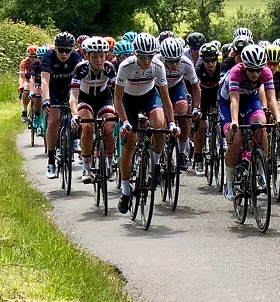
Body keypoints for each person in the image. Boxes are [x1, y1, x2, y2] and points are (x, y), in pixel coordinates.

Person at [114, 33, 177, 214]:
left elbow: (166, 99)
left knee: (159, 125)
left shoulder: (158, 65)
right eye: (142, 56)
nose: (147, 60)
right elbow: (117, 99)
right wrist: (125, 121)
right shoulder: (125, 67)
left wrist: (171, 123)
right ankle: (126, 190)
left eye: (150, 56)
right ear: (135, 54)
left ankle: (156, 164)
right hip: (128, 101)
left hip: (149, 97)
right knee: (130, 142)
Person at [219, 45, 280, 200]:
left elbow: (271, 98)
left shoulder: (266, 72)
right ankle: (228, 183)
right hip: (227, 102)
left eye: (258, 70)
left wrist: (279, 118)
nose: (255, 74)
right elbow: (234, 100)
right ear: (244, 66)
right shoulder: (236, 72)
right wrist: (234, 121)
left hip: (249, 100)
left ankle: (262, 170)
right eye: (251, 70)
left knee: (261, 127)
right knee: (235, 140)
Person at [68, 37, 119, 183]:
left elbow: (117, 92)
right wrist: (74, 114)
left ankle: (110, 164)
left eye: (102, 55)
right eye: (95, 56)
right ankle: (86, 167)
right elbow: (74, 94)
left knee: (109, 128)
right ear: (87, 56)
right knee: (88, 127)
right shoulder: (81, 68)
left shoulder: (109, 68)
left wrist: (120, 111)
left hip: (104, 98)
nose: (99, 60)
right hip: (85, 98)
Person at [40, 32, 85, 179]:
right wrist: (46, 100)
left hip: (70, 89)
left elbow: (82, 82)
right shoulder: (48, 57)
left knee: (80, 112)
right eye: (61, 50)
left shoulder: (77, 58)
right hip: (53, 90)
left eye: (68, 50)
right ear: (55, 49)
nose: (64, 54)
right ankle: (51, 160)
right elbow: (45, 82)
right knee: (53, 120)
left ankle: (77, 137)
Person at [157, 38, 202, 170]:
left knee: (183, 112)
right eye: (170, 61)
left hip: (177, 87)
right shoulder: (156, 61)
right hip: (158, 88)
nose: (175, 64)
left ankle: (182, 152)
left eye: (177, 60)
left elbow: (195, 88)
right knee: (161, 120)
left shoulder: (186, 63)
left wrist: (195, 108)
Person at [190, 43, 223, 174]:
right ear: (202, 60)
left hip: (216, 95)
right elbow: (196, 89)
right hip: (202, 96)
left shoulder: (221, 68)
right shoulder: (197, 69)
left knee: (220, 117)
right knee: (201, 126)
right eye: (207, 60)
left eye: (213, 60)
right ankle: (198, 157)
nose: (210, 64)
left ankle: (219, 137)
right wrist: (197, 109)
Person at [19, 45, 39, 123]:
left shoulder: (40, 61)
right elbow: (22, 77)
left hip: (37, 79)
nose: (34, 59)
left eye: (36, 57)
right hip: (27, 79)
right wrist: (21, 86)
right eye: (32, 57)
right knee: (26, 89)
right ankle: (24, 111)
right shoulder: (24, 62)